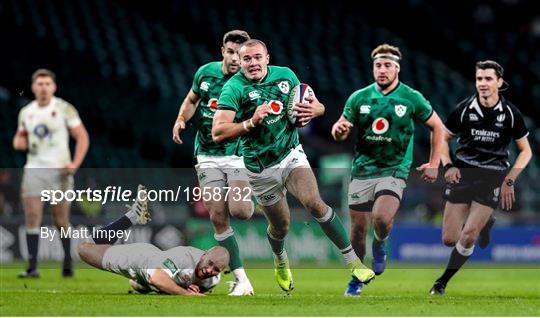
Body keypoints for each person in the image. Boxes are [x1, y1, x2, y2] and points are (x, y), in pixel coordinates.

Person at [212, 39, 376, 293]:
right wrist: (251, 122)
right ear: (241, 63)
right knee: (281, 227)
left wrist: (315, 111)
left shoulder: (286, 76)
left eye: (257, 57)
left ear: (267, 58)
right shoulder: (234, 88)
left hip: (290, 155)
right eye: (247, 59)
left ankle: (353, 262)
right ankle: (280, 259)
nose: (253, 63)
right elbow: (219, 131)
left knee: (314, 202)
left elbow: (316, 106)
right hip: (259, 168)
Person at [331, 43, 445, 296]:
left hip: (394, 170)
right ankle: (357, 278)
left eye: (387, 65)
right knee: (358, 231)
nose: (382, 70)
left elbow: (438, 126)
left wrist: (434, 162)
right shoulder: (359, 97)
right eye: (378, 65)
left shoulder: (411, 97)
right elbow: (340, 127)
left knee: (381, 219)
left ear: (397, 68)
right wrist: (338, 131)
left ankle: (380, 243)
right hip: (362, 171)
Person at [430, 60, 532, 295]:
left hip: (492, 176)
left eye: (488, 79)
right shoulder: (464, 109)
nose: (483, 83)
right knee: (449, 239)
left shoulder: (510, 113)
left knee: (468, 236)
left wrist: (510, 179)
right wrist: (448, 166)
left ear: (499, 82)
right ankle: (487, 223)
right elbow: (442, 139)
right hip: (463, 174)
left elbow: (526, 150)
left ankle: (442, 281)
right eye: (479, 79)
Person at [171, 30, 254, 296]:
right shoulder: (205, 73)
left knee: (240, 211)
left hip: (237, 155)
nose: (233, 58)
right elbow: (192, 99)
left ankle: (259, 191)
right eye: (230, 52)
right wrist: (181, 118)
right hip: (207, 155)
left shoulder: (249, 82)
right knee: (218, 218)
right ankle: (242, 281)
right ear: (223, 51)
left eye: (239, 55)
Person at [78, 185, 228, 295]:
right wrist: (186, 294)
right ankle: (132, 217)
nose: (210, 270)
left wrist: (189, 288)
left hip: (153, 266)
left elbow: (185, 285)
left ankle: (139, 283)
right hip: (140, 259)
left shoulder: (212, 281)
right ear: (204, 254)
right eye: (210, 264)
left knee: (142, 285)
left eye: (216, 270)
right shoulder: (185, 256)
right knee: (85, 248)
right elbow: (157, 279)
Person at [13, 69, 89, 278]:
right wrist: (21, 143)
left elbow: (82, 137)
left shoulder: (64, 108)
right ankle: (32, 267)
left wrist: (75, 164)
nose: (44, 87)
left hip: (59, 172)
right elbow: (19, 139)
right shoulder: (26, 112)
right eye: (40, 84)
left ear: (53, 87)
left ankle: (67, 260)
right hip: (34, 170)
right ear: (33, 87)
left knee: (60, 221)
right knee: (32, 217)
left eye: (47, 84)